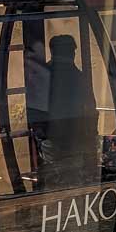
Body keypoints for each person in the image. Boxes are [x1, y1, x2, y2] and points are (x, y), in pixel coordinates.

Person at [41, 34, 98, 188]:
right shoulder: (78, 77)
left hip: (51, 139)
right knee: (72, 180)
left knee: (54, 179)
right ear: (72, 53)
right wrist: (92, 136)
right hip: (74, 138)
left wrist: (42, 136)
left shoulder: (43, 74)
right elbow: (90, 108)